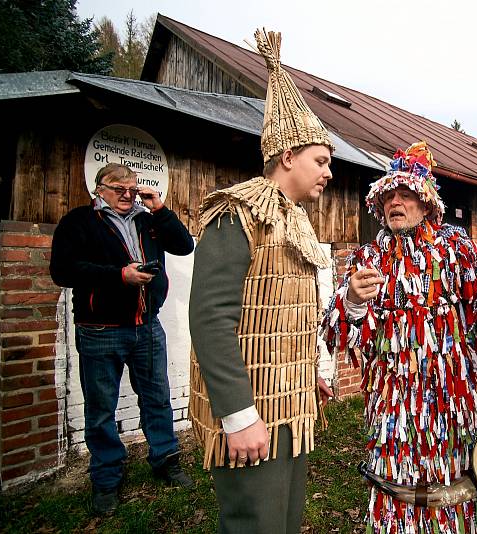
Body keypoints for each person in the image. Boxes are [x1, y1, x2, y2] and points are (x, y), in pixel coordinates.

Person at [320, 142, 477, 534]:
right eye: (389, 196)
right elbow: (340, 333)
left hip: (456, 402)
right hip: (395, 407)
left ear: (426, 204)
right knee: (400, 491)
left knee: (463, 486)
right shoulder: (366, 259)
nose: (395, 203)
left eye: (405, 195)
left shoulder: (456, 249)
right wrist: (351, 300)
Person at [188, 29, 334, 534]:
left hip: (289, 407)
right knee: (256, 524)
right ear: (287, 156)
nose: (329, 172)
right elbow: (210, 319)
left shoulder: (295, 219)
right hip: (252, 413)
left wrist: (310, 371)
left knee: (284, 522)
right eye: (321, 160)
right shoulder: (237, 214)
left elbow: (288, 311)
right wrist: (237, 414)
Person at [50, 162, 195, 515]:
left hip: (146, 325)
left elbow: (184, 245)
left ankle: (165, 460)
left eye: (133, 189)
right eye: (120, 189)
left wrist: (160, 209)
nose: (128, 195)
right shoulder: (79, 221)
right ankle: (106, 479)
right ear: (100, 189)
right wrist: (119, 276)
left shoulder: (148, 220)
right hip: (100, 329)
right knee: (101, 410)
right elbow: (63, 270)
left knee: (158, 398)